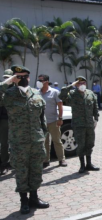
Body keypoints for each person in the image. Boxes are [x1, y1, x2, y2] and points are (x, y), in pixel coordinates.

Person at [1, 65, 49, 214]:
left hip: (36, 140)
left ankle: (34, 197)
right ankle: (24, 201)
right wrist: (8, 81)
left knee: (36, 170)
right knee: (21, 171)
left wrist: (43, 134)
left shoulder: (36, 93)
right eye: (18, 76)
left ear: (28, 77)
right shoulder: (9, 95)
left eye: (24, 76)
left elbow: (42, 117)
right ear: (15, 78)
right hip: (18, 142)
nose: (21, 79)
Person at [59, 76, 99, 173]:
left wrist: (96, 119)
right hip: (78, 124)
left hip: (89, 124)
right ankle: (82, 165)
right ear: (76, 84)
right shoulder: (72, 94)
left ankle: (89, 164)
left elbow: (95, 107)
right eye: (79, 83)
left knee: (90, 144)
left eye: (83, 83)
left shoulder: (90, 94)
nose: (82, 85)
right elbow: (62, 96)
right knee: (81, 145)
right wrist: (71, 85)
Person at [37, 74, 67, 168]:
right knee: (45, 142)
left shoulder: (54, 92)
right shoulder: (37, 93)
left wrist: (60, 118)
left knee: (57, 141)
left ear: (46, 81)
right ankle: (46, 160)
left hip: (53, 121)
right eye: (39, 80)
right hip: (42, 122)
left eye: (41, 80)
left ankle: (61, 159)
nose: (39, 82)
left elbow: (60, 106)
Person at [0, 69, 13, 175]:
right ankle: (4, 163)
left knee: (16, 142)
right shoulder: (1, 87)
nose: (6, 79)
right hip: (4, 119)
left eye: (8, 77)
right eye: (5, 77)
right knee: (4, 143)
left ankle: (14, 162)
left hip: (16, 120)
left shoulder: (17, 89)